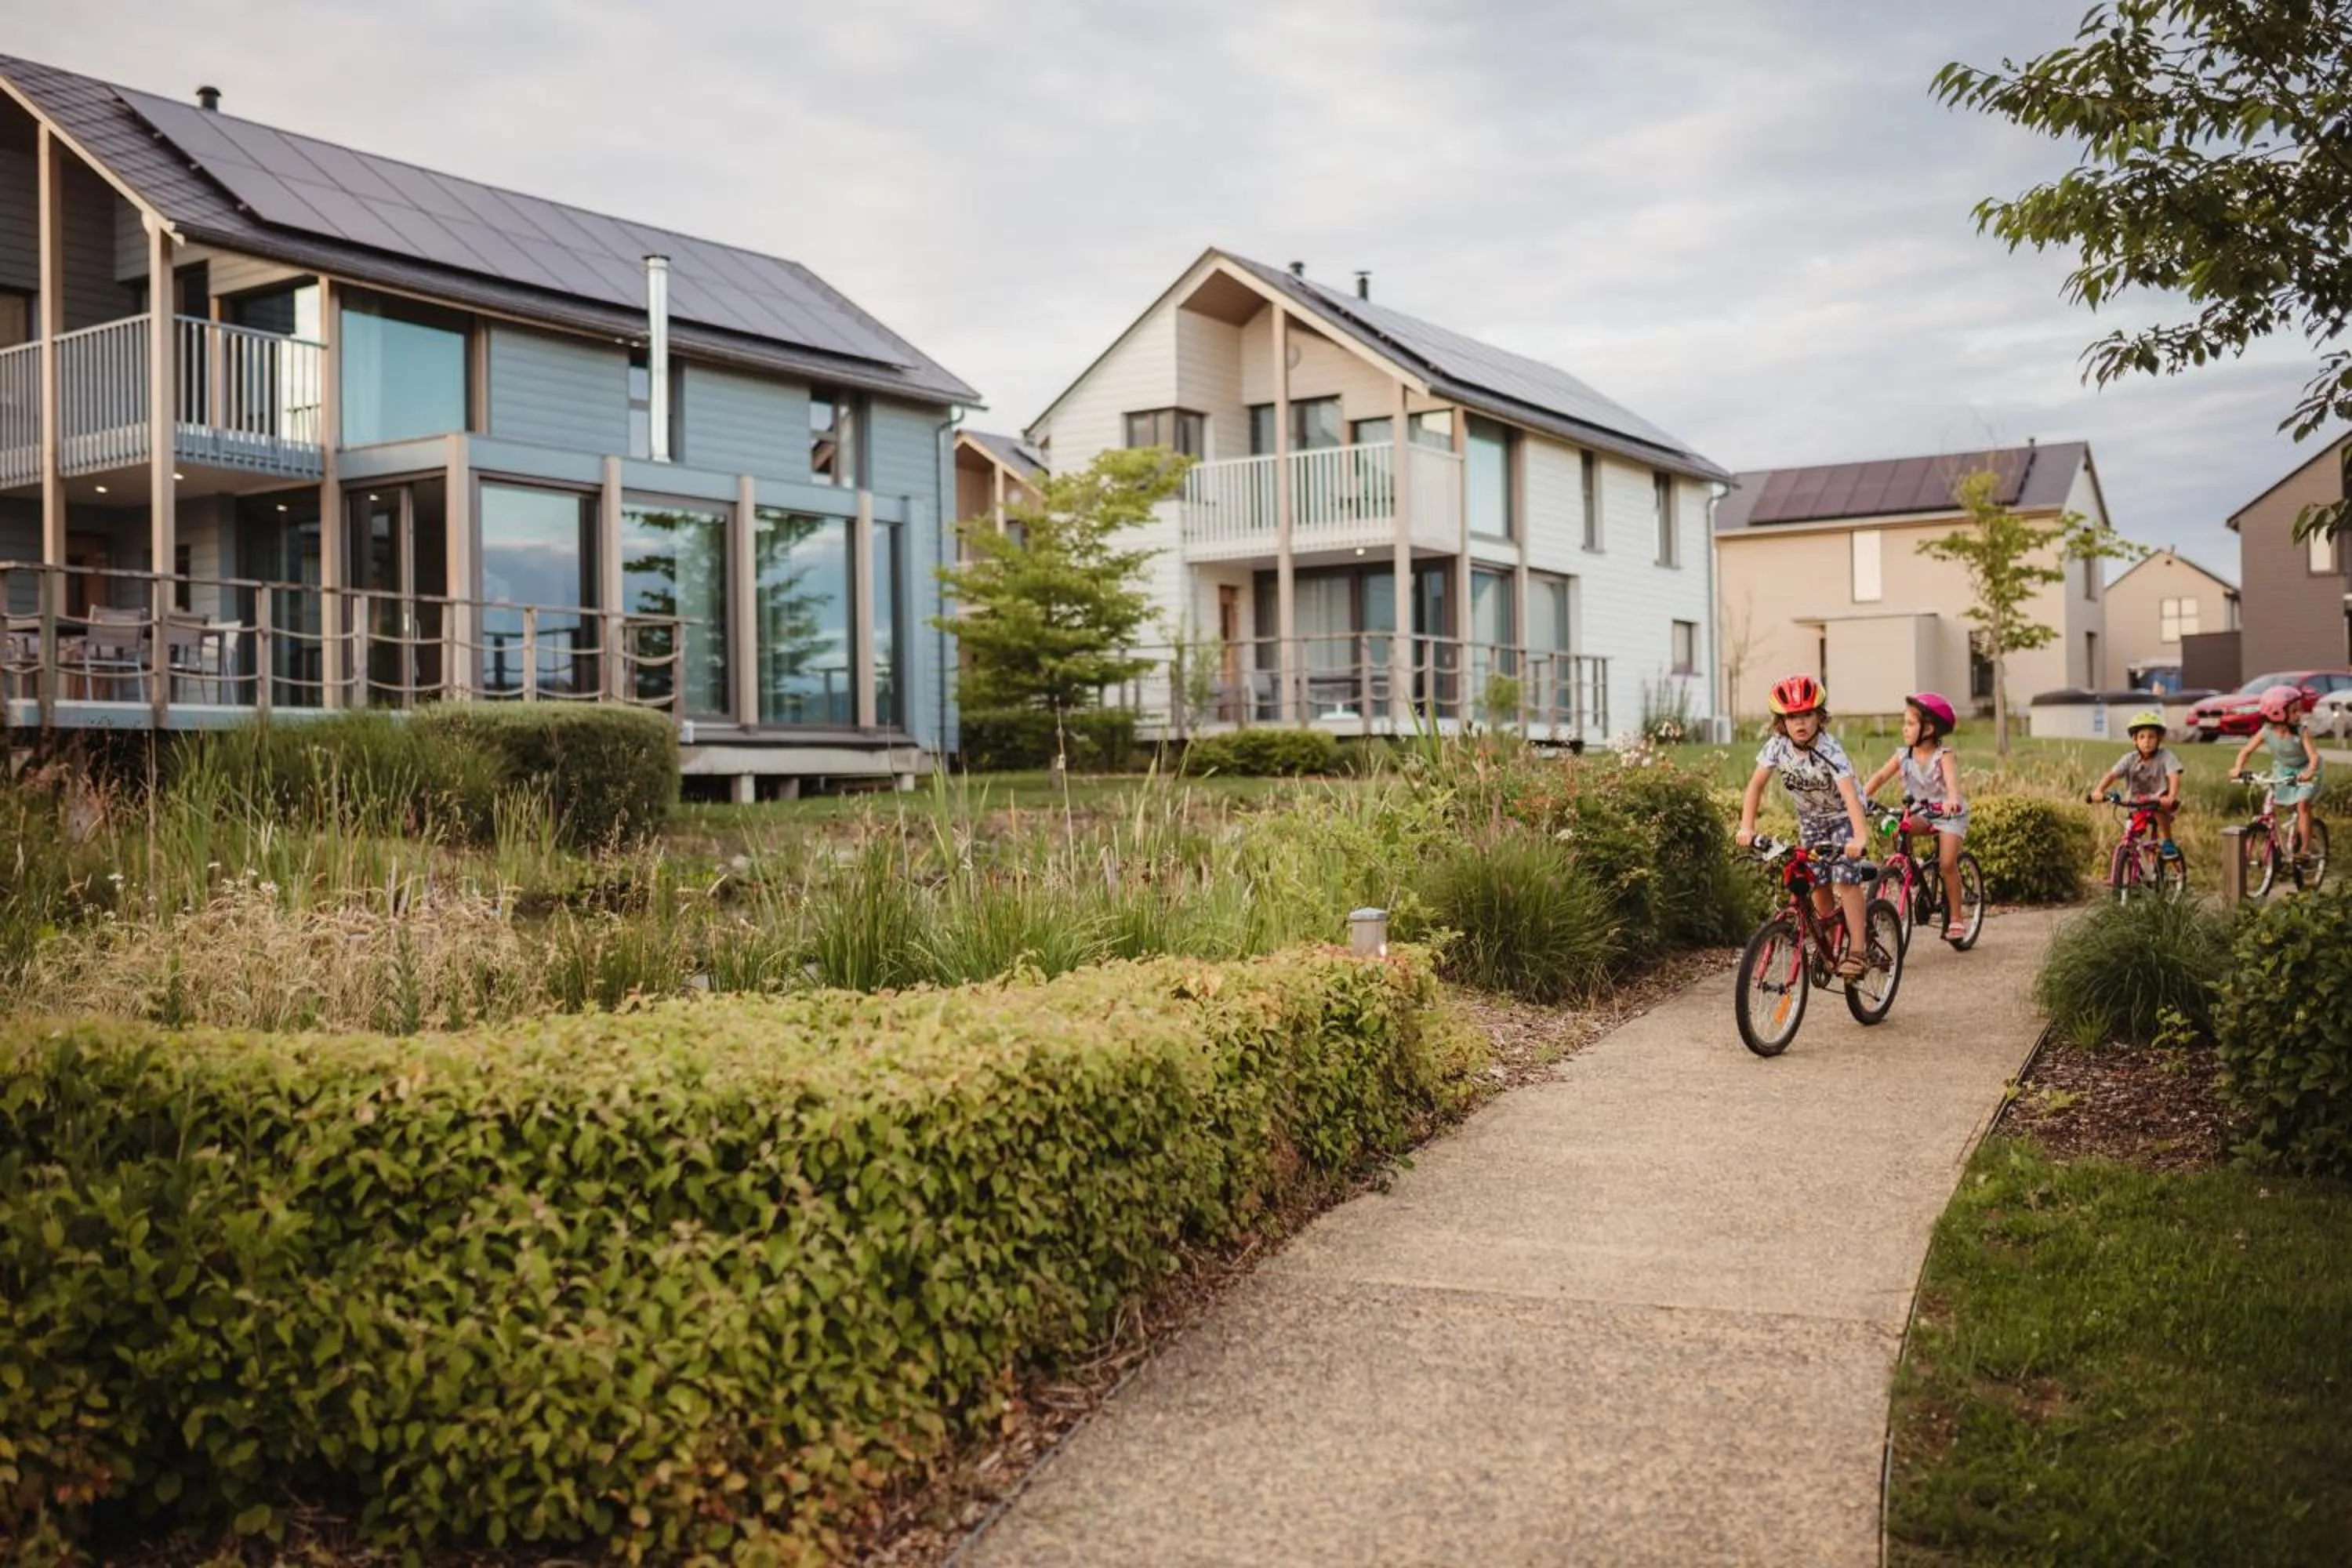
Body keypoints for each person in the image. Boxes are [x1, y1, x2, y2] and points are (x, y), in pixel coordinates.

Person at [1736, 674, 1872, 982]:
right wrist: (1747, 827)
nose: (1801, 723)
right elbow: (1755, 786)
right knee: (1818, 881)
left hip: (1843, 817)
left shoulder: (1830, 749)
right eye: (1793, 716)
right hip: (1811, 820)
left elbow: (1850, 794)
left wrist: (1859, 836)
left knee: (1845, 879)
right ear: (1781, 721)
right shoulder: (1777, 747)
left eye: (1808, 714)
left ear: (1820, 716)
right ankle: (1829, 944)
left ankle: (1858, 952)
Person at [1862, 691, 1971, 940]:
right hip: (1922, 812)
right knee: (1899, 825)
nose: (1905, 729)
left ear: (1929, 728)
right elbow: (1879, 776)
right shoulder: (1903, 755)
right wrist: (1860, 797)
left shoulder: (1944, 756)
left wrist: (1952, 800)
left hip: (1948, 815)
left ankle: (1956, 918)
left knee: (1946, 864)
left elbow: (1952, 783)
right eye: (1905, 723)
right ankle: (1910, 864)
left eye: (1910, 724)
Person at [2233, 684, 2324, 864]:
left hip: (2306, 770)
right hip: (2283, 770)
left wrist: (2309, 772)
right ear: (2277, 713)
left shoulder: (2301, 731)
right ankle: (2282, 843)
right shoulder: (2266, 731)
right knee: (2277, 804)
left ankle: (2304, 849)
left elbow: (2313, 756)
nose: (2299, 714)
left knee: (2303, 805)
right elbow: (2246, 751)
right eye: (2294, 710)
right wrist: (2238, 768)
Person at [2087, 711, 2184, 856]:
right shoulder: (2129, 759)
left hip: (2159, 802)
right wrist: (2099, 791)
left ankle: (2168, 841)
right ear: (2135, 740)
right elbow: (2112, 774)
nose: (2147, 741)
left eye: (2152, 736)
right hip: (2137, 804)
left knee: (2159, 810)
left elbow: (2174, 776)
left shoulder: (2165, 757)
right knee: (2132, 835)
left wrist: (2170, 797)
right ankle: (2134, 866)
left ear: (2159, 739)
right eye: (2142, 737)